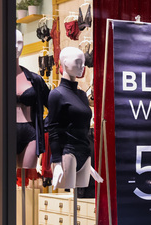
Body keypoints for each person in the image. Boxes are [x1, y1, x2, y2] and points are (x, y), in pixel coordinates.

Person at [46, 46, 102, 189]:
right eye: (78, 61)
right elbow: (53, 129)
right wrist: (57, 162)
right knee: (72, 200)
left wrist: (90, 165)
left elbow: (83, 127)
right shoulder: (56, 94)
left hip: (85, 153)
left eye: (83, 62)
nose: (82, 66)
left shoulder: (82, 95)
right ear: (64, 62)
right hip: (67, 153)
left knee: (80, 196)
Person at [16, 29, 50, 169]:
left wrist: (43, 126)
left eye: (20, 43)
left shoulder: (35, 80)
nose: (17, 47)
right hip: (5, 133)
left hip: (30, 132)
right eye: (13, 43)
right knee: (5, 177)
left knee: (25, 177)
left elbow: (52, 106)